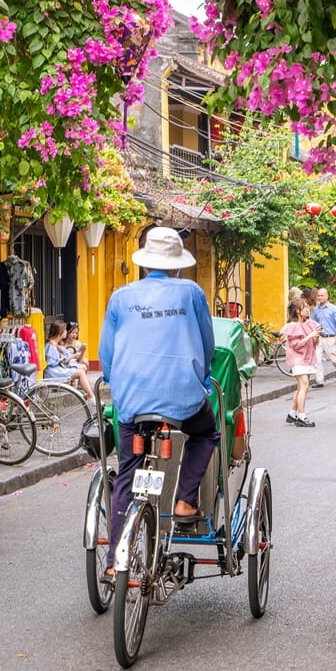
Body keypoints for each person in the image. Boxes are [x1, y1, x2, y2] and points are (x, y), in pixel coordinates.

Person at [99, 227, 220, 579]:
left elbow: (107, 356)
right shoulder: (192, 293)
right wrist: (201, 377)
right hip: (183, 397)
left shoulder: (121, 297)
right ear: (177, 266)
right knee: (206, 433)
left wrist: (115, 380)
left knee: (127, 472)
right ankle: (184, 500)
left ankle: (112, 561)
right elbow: (207, 345)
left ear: (145, 264)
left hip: (133, 401)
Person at [280, 299, 320, 427]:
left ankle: (292, 413)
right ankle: (302, 416)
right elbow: (296, 345)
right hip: (298, 359)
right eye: (304, 308)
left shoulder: (310, 324)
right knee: (304, 385)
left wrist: (316, 336)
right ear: (297, 311)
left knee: (300, 387)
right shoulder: (292, 326)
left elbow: (314, 343)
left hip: (307, 358)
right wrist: (310, 335)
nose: (307, 310)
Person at [44, 320, 93, 399]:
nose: (66, 332)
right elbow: (50, 362)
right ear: (60, 332)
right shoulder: (50, 345)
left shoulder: (57, 344)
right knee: (80, 373)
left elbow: (67, 357)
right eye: (65, 330)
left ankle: (91, 396)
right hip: (53, 372)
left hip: (58, 369)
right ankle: (92, 397)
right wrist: (61, 358)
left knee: (81, 370)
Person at [313, 287, 336, 383]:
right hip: (320, 337)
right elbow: (314, 323)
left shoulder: (332, 308)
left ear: (327, 296)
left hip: (330, 337)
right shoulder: (316, 310)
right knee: (317, 359)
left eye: (322, 295)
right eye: (318, 295)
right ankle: (320, 381)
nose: (320, 297)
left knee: (334, 360)